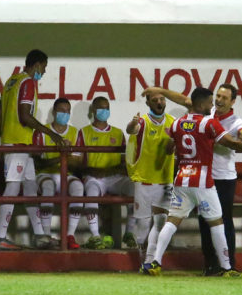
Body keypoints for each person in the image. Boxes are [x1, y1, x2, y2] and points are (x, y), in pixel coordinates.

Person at [143, 87, 242, 277]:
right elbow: (233, 144)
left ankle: (155, 262)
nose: (214, 103)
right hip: (204, 180)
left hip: (182, 179)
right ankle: (226, 268)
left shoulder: (177, 122)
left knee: (172, 221)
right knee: (217, 223)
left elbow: (168, 148)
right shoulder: (210, 122)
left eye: (221, 98)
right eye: (212, 100)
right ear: (203, 103)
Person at [0, 49, 66, 250]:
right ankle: (0, 237)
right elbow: (25, 116)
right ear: (37, 64)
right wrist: (52, 134)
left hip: (18, 143)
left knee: (31, 186)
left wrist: (4, 135)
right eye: (44, 67)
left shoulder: (11, 81)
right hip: (18, 144)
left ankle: (40, 234)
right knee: (13, 188)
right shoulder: (27, 83)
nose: (44, 72)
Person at [125, 90, 176, 269]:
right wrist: (132, 122)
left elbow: (171, 149)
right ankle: (142, 256)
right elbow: (131, 129)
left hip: (165, 179)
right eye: (155, 100)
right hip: (144, 179)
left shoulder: (172, 123)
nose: (160, 102)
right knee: (144, 223)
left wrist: (174, 143)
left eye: (162, 99)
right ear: (148, 104)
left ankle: (150, 261)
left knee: (161, 222)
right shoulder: (143, 121)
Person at [75, 96, 133, 249]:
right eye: (101, 108)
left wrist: (109, 171)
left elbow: (123, 163)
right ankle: (95, 236)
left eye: (107, 108)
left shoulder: (118, 133)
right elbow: (78, 162)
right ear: (93, 110)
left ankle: (130, 233)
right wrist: (94, 171)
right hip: (93, 177)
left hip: (114, 177)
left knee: (135, 188)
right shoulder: (83, 132)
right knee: (91, 192)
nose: (104, 111)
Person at [34, 98, 85, 248]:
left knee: (78, 188)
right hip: (44, 174)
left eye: (68, 111)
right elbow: (38, 162)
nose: (65, 114)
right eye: (62, 111)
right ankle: (46, 235)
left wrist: (67, 156)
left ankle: (70, 235)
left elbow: (78, 162)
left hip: (66, 175)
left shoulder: (75, 132)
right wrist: (61, 155)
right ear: (54, 112)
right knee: (48, 185)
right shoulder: (43, 131)